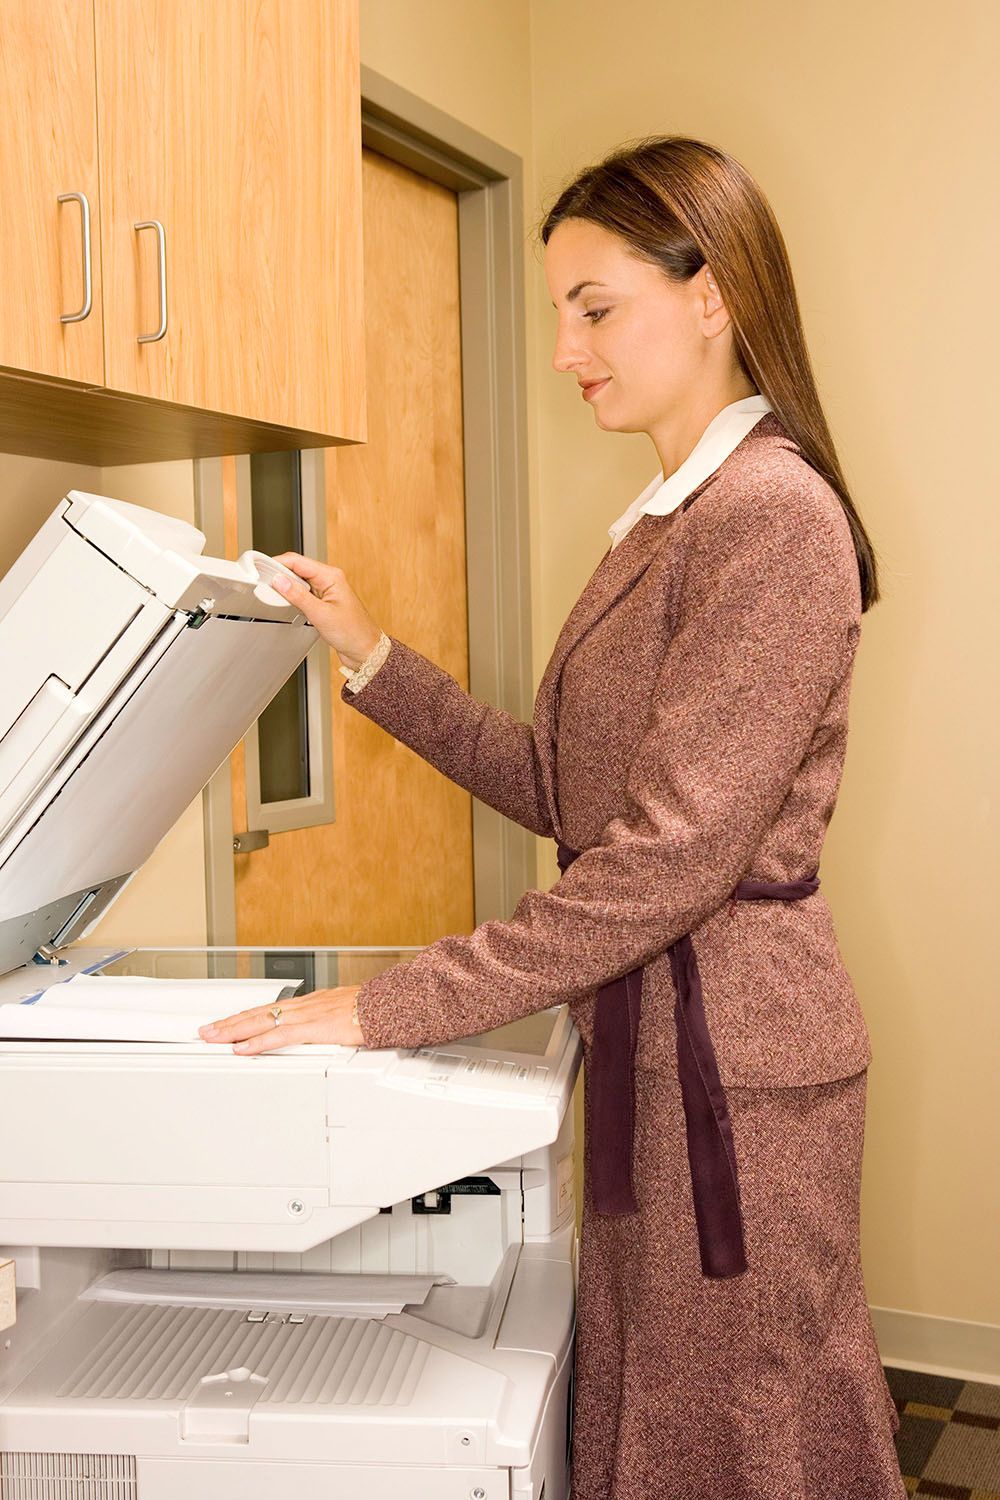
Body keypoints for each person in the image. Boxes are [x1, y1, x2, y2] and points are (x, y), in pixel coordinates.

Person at [201, 136, 906, 1499]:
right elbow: (574, 799)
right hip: (659, 1038)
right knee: (673, 1418)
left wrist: (391, 1004)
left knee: (749, 1434)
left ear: (712, 296)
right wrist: (370, 655)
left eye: (596, 308)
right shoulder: (663, 517)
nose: (569, 350)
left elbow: (667, 858)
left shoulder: (767, 515)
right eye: (559, 317)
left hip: (736, 1071)